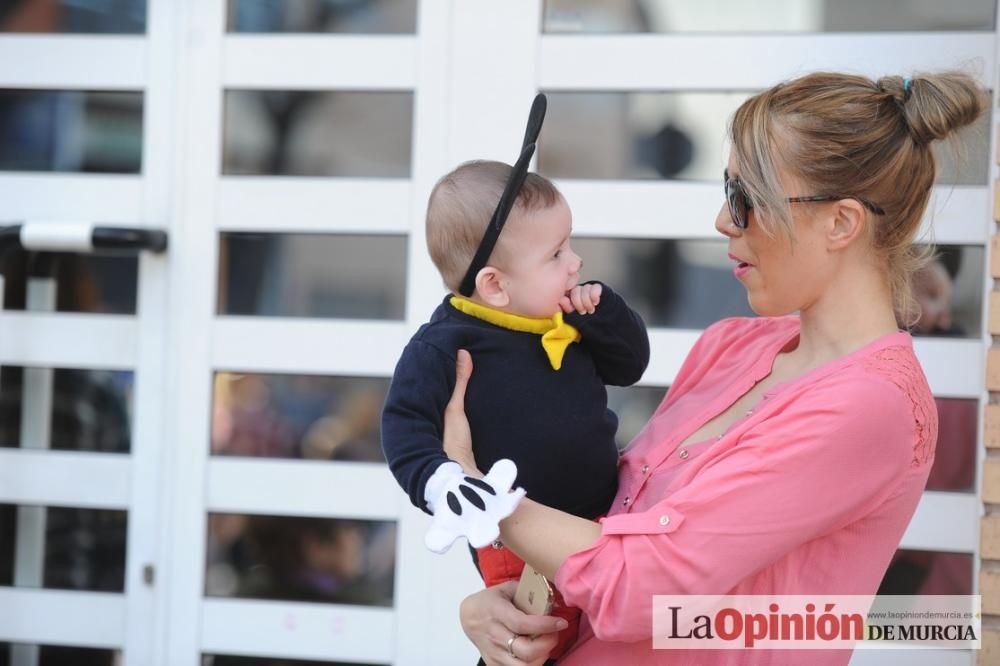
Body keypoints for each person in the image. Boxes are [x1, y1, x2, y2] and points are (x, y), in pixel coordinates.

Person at [445, 71, 985, 665]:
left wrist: (478, 489)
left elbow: (637, 588)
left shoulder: (870, 408)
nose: (724, 222)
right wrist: (497, 608)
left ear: (841, 223)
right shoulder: (732, 348)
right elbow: (605, 529)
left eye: (747, 199)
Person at [380, 158, 650, 658]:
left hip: (600, 521)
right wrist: (445, 482)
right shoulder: (445, 346)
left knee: (609, 637)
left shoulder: (564, 317)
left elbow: (631, 365)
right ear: (495, 285)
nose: (575, 262)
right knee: (534, 639)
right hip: (513, 542)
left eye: (569, 245)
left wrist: (605, 313)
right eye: (556, 255)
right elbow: (405, 426)